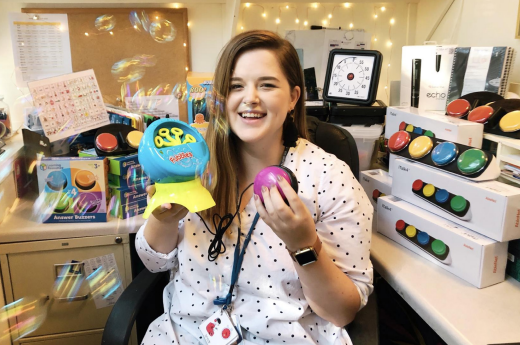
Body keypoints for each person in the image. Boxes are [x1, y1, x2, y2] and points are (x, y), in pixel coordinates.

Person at [136, 30, 374, 345]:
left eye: (267, 84)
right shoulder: (191, 162)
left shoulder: (328, 176)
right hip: (184, 336)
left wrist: (304, 245)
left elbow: (342, 311)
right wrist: (161, 219)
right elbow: (153, 262)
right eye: (236, 86)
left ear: (293, 97)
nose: (250, 98)